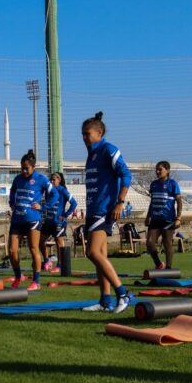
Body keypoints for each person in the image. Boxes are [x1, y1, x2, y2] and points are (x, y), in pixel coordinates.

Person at [79, 112, 135, 313]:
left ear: (99, 132)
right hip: (94, 209)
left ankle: (123, 293)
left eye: (87, 134)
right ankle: (105, 300)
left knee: (92, 252)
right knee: (99, 254)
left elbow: (126, 174)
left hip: (105, 209)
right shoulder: (91, 154)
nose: (84, 138)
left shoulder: (107, 149)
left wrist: (120, 202)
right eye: (83, 134)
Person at [8, 150, 57, 291]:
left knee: (33, 248)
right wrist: (12, 203)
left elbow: (54, 194)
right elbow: (12, 192)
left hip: (32, 220)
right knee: (12, 250)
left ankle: (36, 281)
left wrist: (43, 206)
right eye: (21, 168)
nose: (23, 171)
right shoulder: (18, 179)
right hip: (17, 219)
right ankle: (18, 276)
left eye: (26, 168)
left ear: (33, 167)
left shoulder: (41, 179)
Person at [144, 161, 183, 269]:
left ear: (167, 170)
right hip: (155, 219)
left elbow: (179, 201)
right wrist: (148, 216)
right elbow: (152, 201)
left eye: (160, 169)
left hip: (168, 220)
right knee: (150, 243)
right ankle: (159, 264)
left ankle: (169, 268)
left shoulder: (173, 184)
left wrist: (178, 218)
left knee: (166, 243)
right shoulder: (154, 184)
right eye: (156, 169)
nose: (157, 171)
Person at [39, 172, 77, 272]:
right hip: (48, 221)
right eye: (50, 180)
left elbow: (74, 203)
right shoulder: (48, 191)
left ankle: (60, 265)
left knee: (59, 243)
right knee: (40, 240)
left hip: (59, 222)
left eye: (54, 180)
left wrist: (65, 215)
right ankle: (47, 261)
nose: (51, 181)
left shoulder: (63, 190)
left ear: (59, 180)